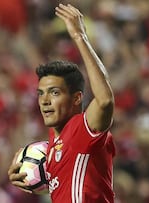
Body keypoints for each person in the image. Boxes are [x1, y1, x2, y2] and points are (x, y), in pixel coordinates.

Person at [8, 3, 115, 203]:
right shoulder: (55, 141)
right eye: (41, 94)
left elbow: (105, 100)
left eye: (54, 93)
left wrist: (80, 37)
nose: (45, 101)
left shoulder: (84, 128)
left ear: (76, 98)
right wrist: (23, 171)